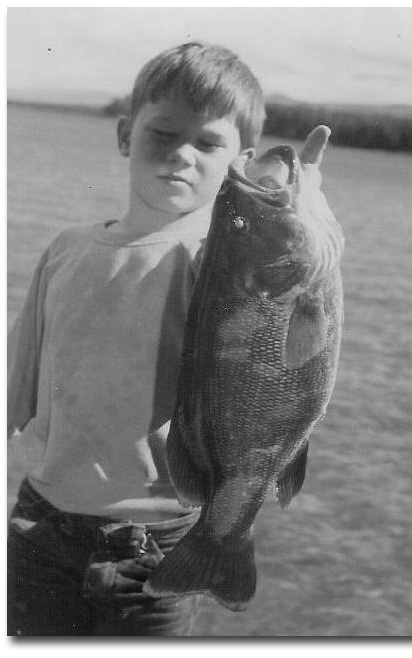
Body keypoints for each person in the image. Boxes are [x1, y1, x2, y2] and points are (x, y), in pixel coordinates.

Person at [7, 40, 266, 637]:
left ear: (240, 163)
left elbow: (281, 309)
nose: (181, 155)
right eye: (163, 133)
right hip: (40, 524)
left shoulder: (221, 268)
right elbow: (14, 380)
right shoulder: (67, 249)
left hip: (159, 539)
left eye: (207, 143)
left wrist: (288, 204)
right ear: (126, 135)